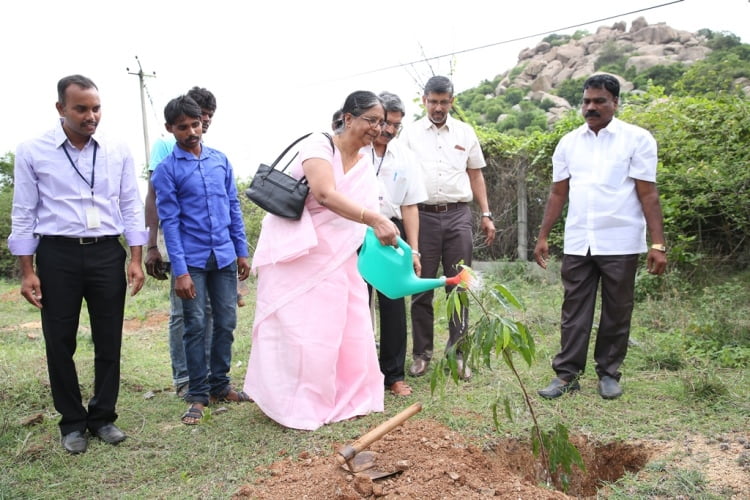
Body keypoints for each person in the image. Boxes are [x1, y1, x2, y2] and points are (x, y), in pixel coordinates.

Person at [243, 90, 400, 430]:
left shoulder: (367, 160)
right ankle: (294, 400)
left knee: (345, 326)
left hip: (340, 256)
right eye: (371, 120)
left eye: (381, 122)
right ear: (348, 118)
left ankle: (345, 395)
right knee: (301, 330)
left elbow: (368, 209)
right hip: (298, 253)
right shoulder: (319, 144)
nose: (377, 128)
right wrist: (373, 220)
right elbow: (325, 194)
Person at [7, 74, 147, 454]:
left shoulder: (117, 149)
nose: (91, 116)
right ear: (61, 109)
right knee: (59, 341)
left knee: (108, 338)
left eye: (96, 108)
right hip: (57, 255)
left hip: (106, 252)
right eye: (81, 109)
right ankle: (71, 423)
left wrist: (135, 258)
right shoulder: (33, 151)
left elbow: (131, 205)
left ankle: (103, 417)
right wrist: (28, 270)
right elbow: (23, 212)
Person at [533, 74, 667, 400]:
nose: (591, 107)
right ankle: (566, 375)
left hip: (620, 239)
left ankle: (609, 373)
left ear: (615, 103)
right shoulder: (569, 143)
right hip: (579, 239)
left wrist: (658, 243)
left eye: (599, 101)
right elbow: (557, 193)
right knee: (574, 310)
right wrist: (543, 236)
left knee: (617, 310)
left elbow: (648, 194)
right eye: (587, 101)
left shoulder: (637, 140)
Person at [151, 95, 251, 425]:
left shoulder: (219, 161)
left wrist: (242, 250)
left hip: (223, 256)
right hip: (191, 261)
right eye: (183, 127)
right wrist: (179, 271)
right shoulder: (166, 171)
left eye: (195, 124)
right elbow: (170, 221)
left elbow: (233, 207)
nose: (192, 131)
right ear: (170, 129)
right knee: (194, 325)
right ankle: (197, 393)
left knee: (226, 322)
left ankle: (221, 385)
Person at [399, 75, 496, 380]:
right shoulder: (410, 135)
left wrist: (486, 212)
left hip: (457, 216)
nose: (438, 107)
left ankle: (458, 354)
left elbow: (476, 175)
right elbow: (399, 175)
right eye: (433, 101)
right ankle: (421, 354)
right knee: (421, 287)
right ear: (424, 100)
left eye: (444, 101)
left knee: (460, 285)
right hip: (422, 217)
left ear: (452, 101)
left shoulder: (465, 133)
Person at [144, 87, 216, 398]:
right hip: (173, 236)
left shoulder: (205, 150)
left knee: (208, 309)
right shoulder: (165, 146)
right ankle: (184, 377)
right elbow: (153, 196)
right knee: (181, 311)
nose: (203, 123)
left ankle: (209, 375)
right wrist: (151, 244)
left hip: (204, 242)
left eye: (207, 119)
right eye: (200, 116)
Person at [366, 91, 427, 396]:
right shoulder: (356, 149)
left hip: (393, 235)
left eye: (396, 126)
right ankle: (361, 376)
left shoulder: (405, 156)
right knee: (356, 306)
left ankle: (394, 376)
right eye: (386, 123)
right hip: (357, 232)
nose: (389, 131)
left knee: (393, 306)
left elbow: (410, 206)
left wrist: (413, 250)